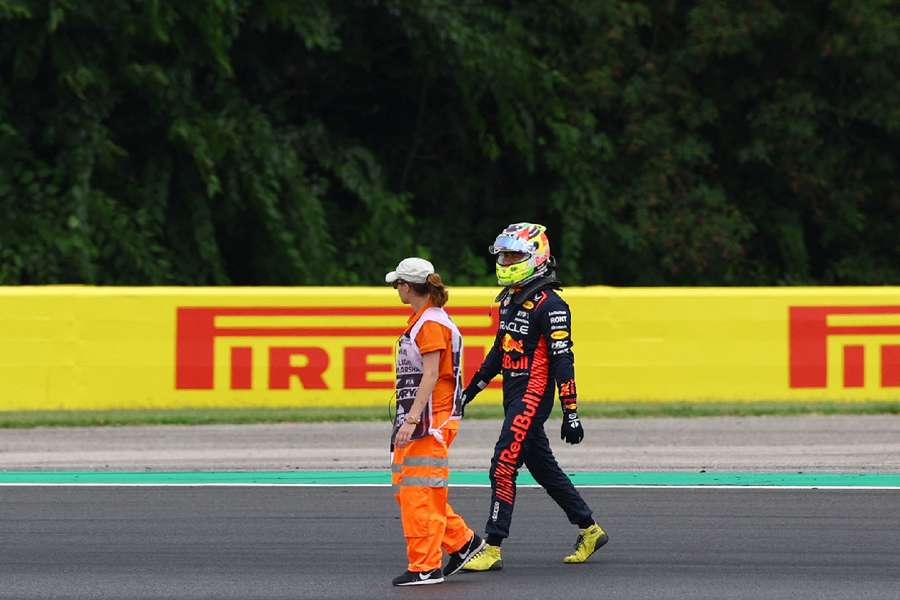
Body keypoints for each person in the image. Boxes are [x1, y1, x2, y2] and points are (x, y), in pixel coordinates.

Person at [460, 223, 608, 571]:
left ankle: (492, 545)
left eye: (514, 255)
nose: (506, 260)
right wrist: (470, 391)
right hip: (513, 396)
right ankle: (590, 529)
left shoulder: (552, 304)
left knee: (503, 464)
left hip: (532, 397)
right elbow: (500, 351)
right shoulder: (511, 298)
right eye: (504, 254)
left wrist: (571, 412)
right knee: (544, 469)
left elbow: (563, 360)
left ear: (536, 257)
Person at [386, 257, 486, 586]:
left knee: (420, 494)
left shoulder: (430, 323)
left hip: (429, 421)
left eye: (398, 283)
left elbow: (431, 374)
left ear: (408, 286)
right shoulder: (425, 319)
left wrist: (412, 419)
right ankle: (463, 543)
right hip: (423, 420)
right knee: (411, 489)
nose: (395, 289)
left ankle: (425, 567)